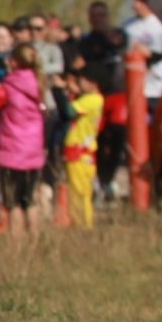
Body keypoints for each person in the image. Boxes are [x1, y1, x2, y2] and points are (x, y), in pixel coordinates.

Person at [0, 42, 48, 235]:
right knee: (29, 199)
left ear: (14, 62)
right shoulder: (39, 83)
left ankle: (16, 247)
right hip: (33, 150)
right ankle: (35, 240)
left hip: (11, 151)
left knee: (13, 202)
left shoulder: (8, 87)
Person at [62, 68, 105, 228]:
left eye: (81, 80)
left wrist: (59, 90)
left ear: (93, 82)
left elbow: (68, 111)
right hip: (84, 154)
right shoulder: (94, 99)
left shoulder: (93, 99)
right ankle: (83, 224)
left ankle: (83, 226)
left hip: (79, 153)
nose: (78, 83)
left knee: (79, 194)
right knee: (82, 192)